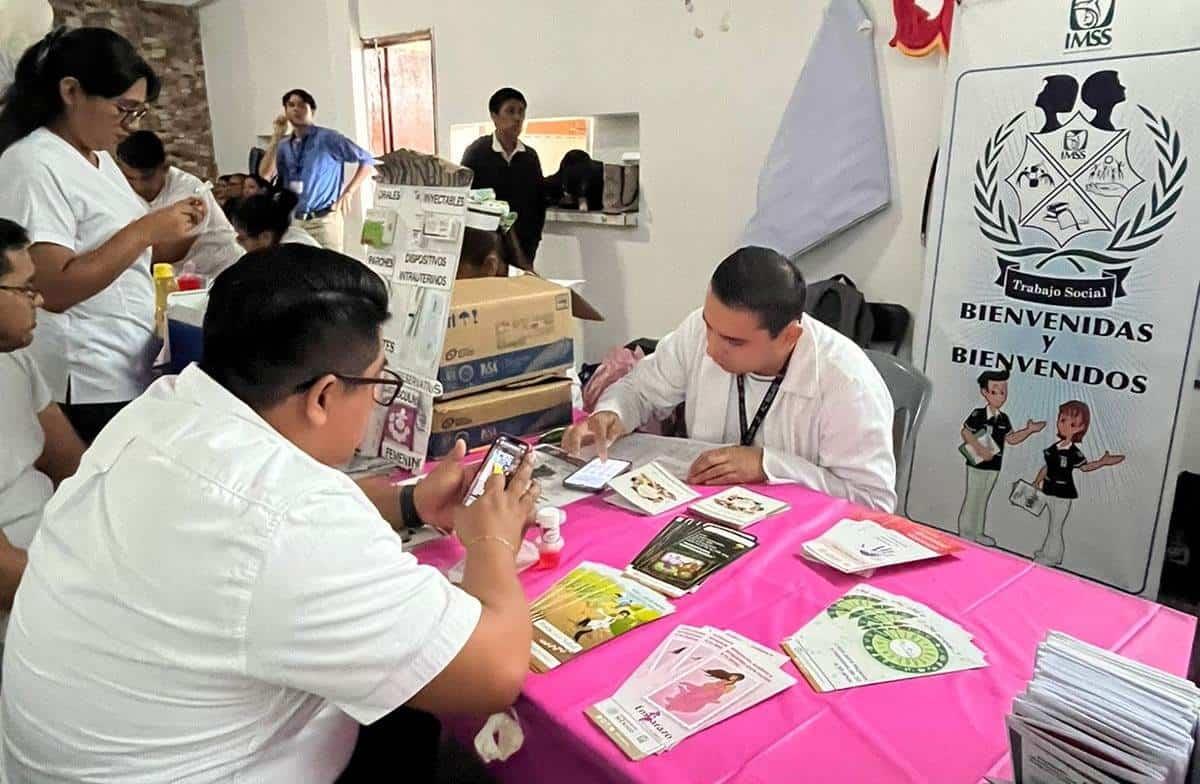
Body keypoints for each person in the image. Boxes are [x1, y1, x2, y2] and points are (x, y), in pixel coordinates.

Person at [2, 245, 541, 782]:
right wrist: (491, 542)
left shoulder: (165, 409)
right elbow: (493, 673)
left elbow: (261, 516)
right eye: (379, 382)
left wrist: (412, 501)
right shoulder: (293, 518)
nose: (376, 403)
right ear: (324, 396)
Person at [563, 246, 897, 512]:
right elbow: (639, 389)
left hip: (794, 541)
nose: (711, 348)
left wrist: (769, 465)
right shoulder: (702, 331)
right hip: (703, 514)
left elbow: (873, 502)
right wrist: (613, 414)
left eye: (734, 342)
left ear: (789, 337)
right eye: (710, 326)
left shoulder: (846, 382)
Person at [0, 27, 206, 443]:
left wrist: (178, 229)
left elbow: (123, 257)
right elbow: (52, 286)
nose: (131, 125)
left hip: (124, 360)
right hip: (85, 376)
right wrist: (147, 228)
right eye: (123, 110)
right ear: (71, 91)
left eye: (139, 113)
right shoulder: (33, 163)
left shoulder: (99, 160)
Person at [0, 219, 86, 617]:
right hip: (30, 597)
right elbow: (3, 575)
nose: (36, 301)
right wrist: (95, 595)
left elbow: (73, 466)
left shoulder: (14, 360)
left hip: (57, 554)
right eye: (24, 289)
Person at [258, 88, 376, 252]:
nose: (296, 109)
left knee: (331, 272)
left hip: (323, 221)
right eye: (291, 105)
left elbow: (368, 160)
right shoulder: (285, 145)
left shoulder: (328, 138)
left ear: (311, 110)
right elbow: (264, 175)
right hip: (294, 222)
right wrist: (277, 136)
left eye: (301, 105)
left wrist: (349, 192)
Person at [116, 130, 244, 278]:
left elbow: (169, 252)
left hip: (223, 271)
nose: (138, 186)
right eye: (130, 178)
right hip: (181, 278)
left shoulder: (191, 192)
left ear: (164, 168)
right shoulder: (120, 187)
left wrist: (116, 256)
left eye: (146, 179)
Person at [1030, 400, 1125, 566]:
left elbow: (1085, 468)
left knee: (1056, 526)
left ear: (1080, 428)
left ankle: (1051, 557)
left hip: (1063, 493)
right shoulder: (1054, 447)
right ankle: (1048, 552)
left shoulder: (1074, 452)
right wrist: (1037, 481)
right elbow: (1047, 466)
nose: (1065, 425)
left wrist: (1103, 462)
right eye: (1063, 420)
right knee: (1050, 523)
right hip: (1048, 489)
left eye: (1072, 424)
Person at [957, 369, 1045, 545]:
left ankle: (978, 532)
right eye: (995, 391)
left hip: (994, 465)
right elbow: (965, 432)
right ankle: (966, 531)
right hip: (977, 464)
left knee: (983, 498)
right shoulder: (978, 414)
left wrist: (1028, 430)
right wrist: (979, 448)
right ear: (985, 392)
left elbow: (1011, 439)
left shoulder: (1003, 418)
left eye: (1003, 392)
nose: (1000, 396)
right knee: (973, 496)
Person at [461, 88, 547, 265]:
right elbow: (467, 199)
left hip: (525, 244)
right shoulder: (476, 153)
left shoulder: (530, 157)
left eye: (521, 112)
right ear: (494, 116)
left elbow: (538, 203)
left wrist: (534, 240)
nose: (517, 118)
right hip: (487, 246)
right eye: (510, 111)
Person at [231, 190, 321, 251]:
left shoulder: (285, 258)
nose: (237, 241)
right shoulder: (291, 232)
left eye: (242, 238)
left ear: (265, 237)